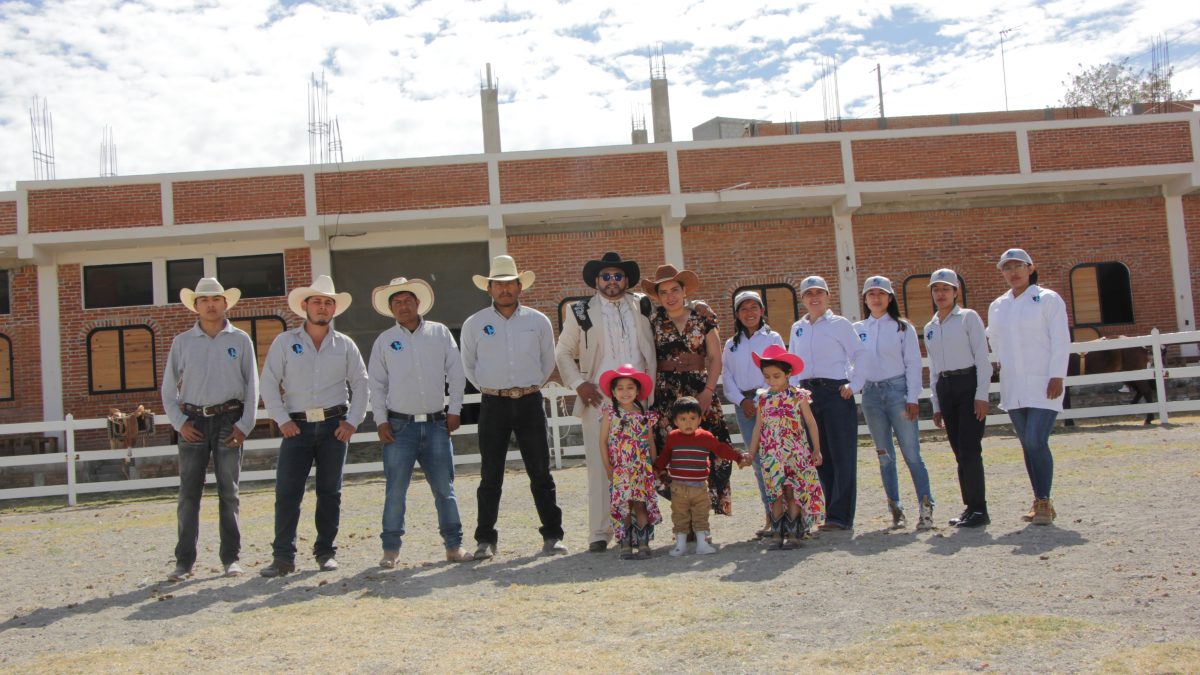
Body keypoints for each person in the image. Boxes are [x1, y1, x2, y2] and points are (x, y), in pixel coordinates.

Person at [259, 275, 369, 577]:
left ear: (334, 309)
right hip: (297, 426)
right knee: (287, 492)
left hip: (335, 426)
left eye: (328, 303)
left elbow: (361, 383)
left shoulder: (345, 345)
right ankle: (283, 557)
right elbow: (268, 383)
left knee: (330, 492)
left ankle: (325, 552)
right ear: (305, 305)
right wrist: (282, 419)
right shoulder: (284, 343)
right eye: (317, 301)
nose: (322, 307)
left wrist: (352, 422)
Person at [462, 255, 566, 559]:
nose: (505, 289)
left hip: (530, 401)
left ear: (520, 286)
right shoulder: (475, 324)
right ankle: (485, 539)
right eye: (499, 284)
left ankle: (553, 535)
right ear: (490, 288)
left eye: (510, 283)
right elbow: (469, 365)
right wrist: (491, 388)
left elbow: (548, 361)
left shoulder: (538, 321)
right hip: (493, 403)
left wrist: (528, 386)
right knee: (490, 474)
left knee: (541, 471)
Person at [555, 251, 656, 553]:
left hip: (637, 399)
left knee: (640, 465)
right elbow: (561, 352)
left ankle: (641, 528)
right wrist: (579, 384)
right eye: (606, 277)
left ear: (626, 279)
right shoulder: (581, 311)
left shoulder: (643, 305)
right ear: (596, 280)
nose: (612, 282)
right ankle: (600, 532)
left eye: (617, 276)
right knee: (601, 467)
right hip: (598, 399)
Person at [368, 276, 473, 566]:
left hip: (437, 423)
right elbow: (376, 384)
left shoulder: (439, 333)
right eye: (397, 302)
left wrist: (454, 409)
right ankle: (390, 550)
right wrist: (380, 420)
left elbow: (456, 372)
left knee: (444, 489)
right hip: (399, 426)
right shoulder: (385, 341)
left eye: (407, 300)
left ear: (418, 303)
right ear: (391, 309)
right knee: (395, 490)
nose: (403, 306)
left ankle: (454, 546)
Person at [161, 277, 259, 581]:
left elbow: (252, 386)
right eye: (204, 300)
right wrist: (180, 423)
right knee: (188, 494)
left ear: (225, 303)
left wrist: (245, 425)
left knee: (229, 492)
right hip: (193, 422)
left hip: (229, 419)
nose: (211, 304)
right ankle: (184, 561)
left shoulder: (240, 340)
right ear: (196, 306)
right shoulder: (182, 342)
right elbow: (167, 389)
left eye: (216, 299)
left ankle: (231, 558)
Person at [642, 264, 735, 519]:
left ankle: (703, 516)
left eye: (675, 289)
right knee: (671, 453)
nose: (670, 296)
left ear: (684, 291)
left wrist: (707, 391)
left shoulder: (703, 318)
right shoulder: (652, 321)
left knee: (709, 449)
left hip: (699, 390)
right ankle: (684, 519)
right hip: (665, 394)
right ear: (657, 296)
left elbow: (715, 358)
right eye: (664, 292)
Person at [986, 249, 1070, 526]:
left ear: (1031, 268)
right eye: (1007, 268)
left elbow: (1060, 338)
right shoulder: (998, 305)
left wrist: (1057, 375)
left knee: (1036, 440)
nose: (1013, 272)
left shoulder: (1047, 299)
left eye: (1018, 266)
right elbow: (994, 341)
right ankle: (1040, 500)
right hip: (1014, 386)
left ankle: (1044, 500)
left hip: (1044, 382)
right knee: (1027, 444)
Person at [851, 276, 934, 530]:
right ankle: (895, 508)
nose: (876, 298)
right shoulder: (857, 329)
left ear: (890, 298)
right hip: (871, 395)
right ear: (865, 299)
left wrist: (912, 397)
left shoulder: (902, 327)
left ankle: (926, 507)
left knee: (912, 454)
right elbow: (852, 363)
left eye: (881, 293)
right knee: (884, 455)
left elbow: (912, 362)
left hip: (897, 391)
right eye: (871, 294)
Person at [787, 275, 865, 531]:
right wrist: (795, 393)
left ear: (828, 296)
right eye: (809, 294)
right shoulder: (798, 327)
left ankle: (841, 516)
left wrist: (854, 385)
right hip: (808, 395)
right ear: (803, 299)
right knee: (820, 455)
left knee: (843, 454)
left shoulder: (840, 324)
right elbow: (794, 364)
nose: (814, 297)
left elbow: (859, 354)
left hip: (835, 391)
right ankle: (830, 509)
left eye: (819, 292)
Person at [925, 268, 993, 528]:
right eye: (936, 289)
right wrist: (936, 403)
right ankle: (970, 506)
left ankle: (980, 509)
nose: (940, 294)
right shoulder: (931, 327)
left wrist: (981, 395)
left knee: (970, 449)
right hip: (946, 386)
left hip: (968, 382)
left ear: (955, 292)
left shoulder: (968, 318)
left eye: (945, 289)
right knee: (958, 452)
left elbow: (982, 359)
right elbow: (933, 368)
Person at [745, 345, 824, 549]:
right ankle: (777, 534)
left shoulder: (798, 396)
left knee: (793, 491)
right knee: (775, 493)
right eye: (767, 376)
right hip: (771, 454)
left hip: (795, 453)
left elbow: (810, 422)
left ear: (788, 373)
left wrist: (816, 449)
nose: (771, 381)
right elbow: (758, 427)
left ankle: (794, 533)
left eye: (776, 376)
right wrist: (751, 452)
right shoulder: (763, 399)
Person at [721, 289, 785, 538]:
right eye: (743, 309)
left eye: (754, 307)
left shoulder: (773, 338)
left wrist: (763, 397)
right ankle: (770, 514)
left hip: (770, 402)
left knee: (776, 459)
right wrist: (741, 400)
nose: (749, 313)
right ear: (737, 314)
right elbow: (727, 378)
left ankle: (786, 513)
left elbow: (782, 370)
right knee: (757, 461)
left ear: (762, 311)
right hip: (745, 407)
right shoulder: (731, 344)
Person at [652, 397, 749, 556]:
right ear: (675, 421)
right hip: (678, 487)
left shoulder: (705, 437)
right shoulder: (673, 437)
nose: (688, 423)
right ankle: (680, 545)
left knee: (701, 514)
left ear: (699, 419)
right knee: (679, 515)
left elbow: (720, 449)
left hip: (699, 486)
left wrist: (738, 457)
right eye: (683, 419)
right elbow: (664, 457)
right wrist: (656, 468)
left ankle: (702, 544)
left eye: (692, 418)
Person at [598, 364, 660, 560]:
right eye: (620, 388)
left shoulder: (644, 415)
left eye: (630, 387)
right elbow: (603, 441)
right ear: (613, 392)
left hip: (641, 468)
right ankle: (625, 543)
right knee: (623, 505)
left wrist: (655, 466)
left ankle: (643, 543)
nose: (625, 392)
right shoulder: (610, 414)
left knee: (640, 505)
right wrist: (608, 467)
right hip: (620, 469)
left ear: (638, 390)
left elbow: (650, 442)